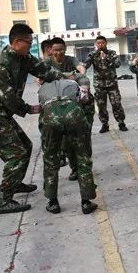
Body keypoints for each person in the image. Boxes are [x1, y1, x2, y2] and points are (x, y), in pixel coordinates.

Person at [0, 23, 68, 214]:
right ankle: (3, 200)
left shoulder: (24, 57)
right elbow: (8, 97)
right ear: (17, 42)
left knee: (26, 146)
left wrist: (68, 78)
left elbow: (45, 71)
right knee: (16, 154)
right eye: (29, 42)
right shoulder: (0, 63)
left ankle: (15, 183)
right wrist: (29, 109)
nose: (31, 45)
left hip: (1, 113)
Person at [38, 75, 98, 214]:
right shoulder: (73, 84)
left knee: (50, 159)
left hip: (51, 115)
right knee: (83, 158)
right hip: (73, 113)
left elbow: (42, 112)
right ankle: (86, 202)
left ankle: (53, 202)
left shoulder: (42, 89)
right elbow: (86, 102)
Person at [48, 37, 90, 181]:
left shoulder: (71, 60)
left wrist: (80, 75)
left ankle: (84, 167)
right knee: (65, 141)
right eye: (55, 50)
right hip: (57, 105)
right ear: (51, 50)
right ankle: (74, 168)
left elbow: (81, 70)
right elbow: (40, 79)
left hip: (75, 103)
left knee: (82, 138)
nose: (58, 53)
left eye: (61, 50)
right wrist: (68, 76)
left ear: (65, 49)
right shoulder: (47, 63)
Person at [84, 35, 127, 133]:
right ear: (96, 44)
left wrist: (106, 58)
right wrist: (78, 69)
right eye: (98, 43)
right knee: (101, 106)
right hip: (99, 85)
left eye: (102, 43)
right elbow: (85, 65)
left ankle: (121, 123)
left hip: (112, 84)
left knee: (116, 104)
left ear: (106, 43)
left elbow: (117, 64)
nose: (100, 45)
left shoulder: (112, 53)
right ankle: (105, 124)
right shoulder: (92, 55)